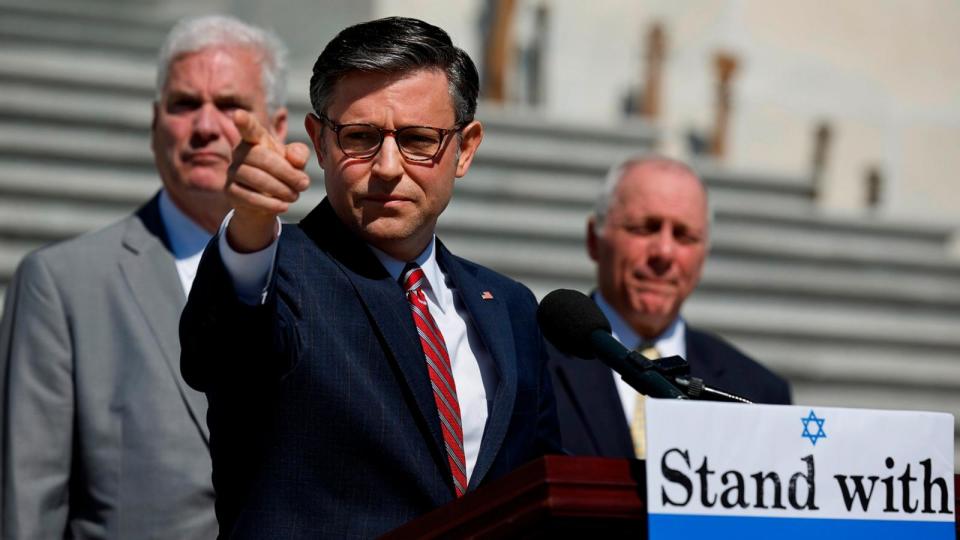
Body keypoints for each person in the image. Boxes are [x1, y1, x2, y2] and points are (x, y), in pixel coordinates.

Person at [179, 16, 560, 538]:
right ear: (318, 141)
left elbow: (544, 492)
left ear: (465, 148)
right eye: (359, 137)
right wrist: (249, 224)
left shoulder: (512, 308)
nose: (386, 166)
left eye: (418, 139)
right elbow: (223, 350)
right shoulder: (279, 272)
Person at [0, 15, 289, 539]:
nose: (205, 126)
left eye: (230, 106)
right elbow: (27, 503)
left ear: (279, 129)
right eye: (184, 105)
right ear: (155, 123)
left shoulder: (330, 279)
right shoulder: (62, 284)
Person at [548, 156, 791, 459]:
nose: (664, 252)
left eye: (684, 236)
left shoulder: (759, 394)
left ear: (704, 257)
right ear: (594, 240)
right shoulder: (530, 367)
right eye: (644, 229)